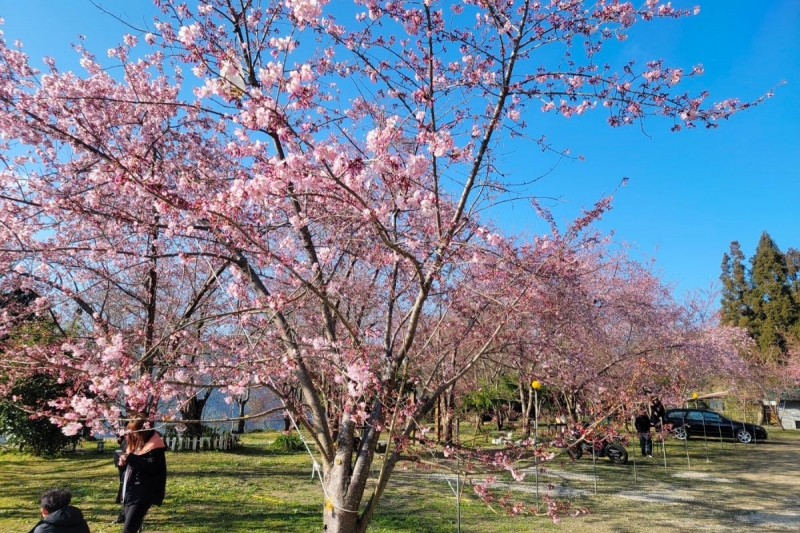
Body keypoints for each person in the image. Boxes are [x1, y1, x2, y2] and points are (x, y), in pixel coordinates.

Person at [118, 417, 167, 533]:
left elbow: (151, 467)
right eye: (132, 432)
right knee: (131, 526)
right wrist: (122, 463)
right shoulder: (133, 444)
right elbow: (130, 467)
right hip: (130, 491)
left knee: (128, 529)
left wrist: (130, 458)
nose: (134, 435)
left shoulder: (155, 446)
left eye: (136, 432)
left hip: (144, 492)